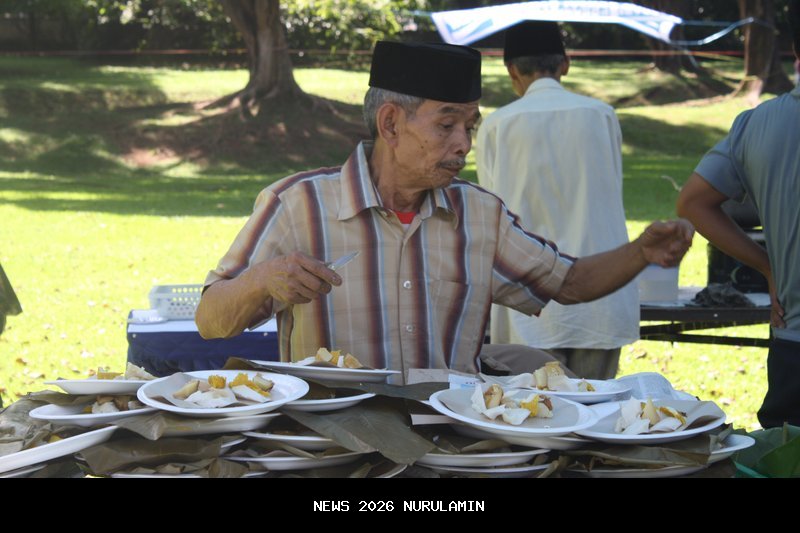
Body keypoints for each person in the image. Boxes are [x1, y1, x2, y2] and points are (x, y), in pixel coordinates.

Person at [196, 40, 693, 383]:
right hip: (337, 449)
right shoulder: (297, 204)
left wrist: (641, 252)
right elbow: (210, 320)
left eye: (470, 127)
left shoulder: (479, 214)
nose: (464, 144)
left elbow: (570, 282)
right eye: (446, 125)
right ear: (391, 124)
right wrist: (261, 279)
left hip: (451, 446)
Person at [476, 21, 638, 379]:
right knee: (595, 404)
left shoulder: (498, 124)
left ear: (512, 71)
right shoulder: (600, 115)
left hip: (530, 293)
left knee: (536, 407)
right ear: (565, 64)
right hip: (601, 292)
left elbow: (490, 209)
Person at [676, 0, 800, 428]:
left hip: (792, 345)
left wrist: (768, 266)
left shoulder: (756, 124)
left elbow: (692, 203)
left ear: (793, 49)